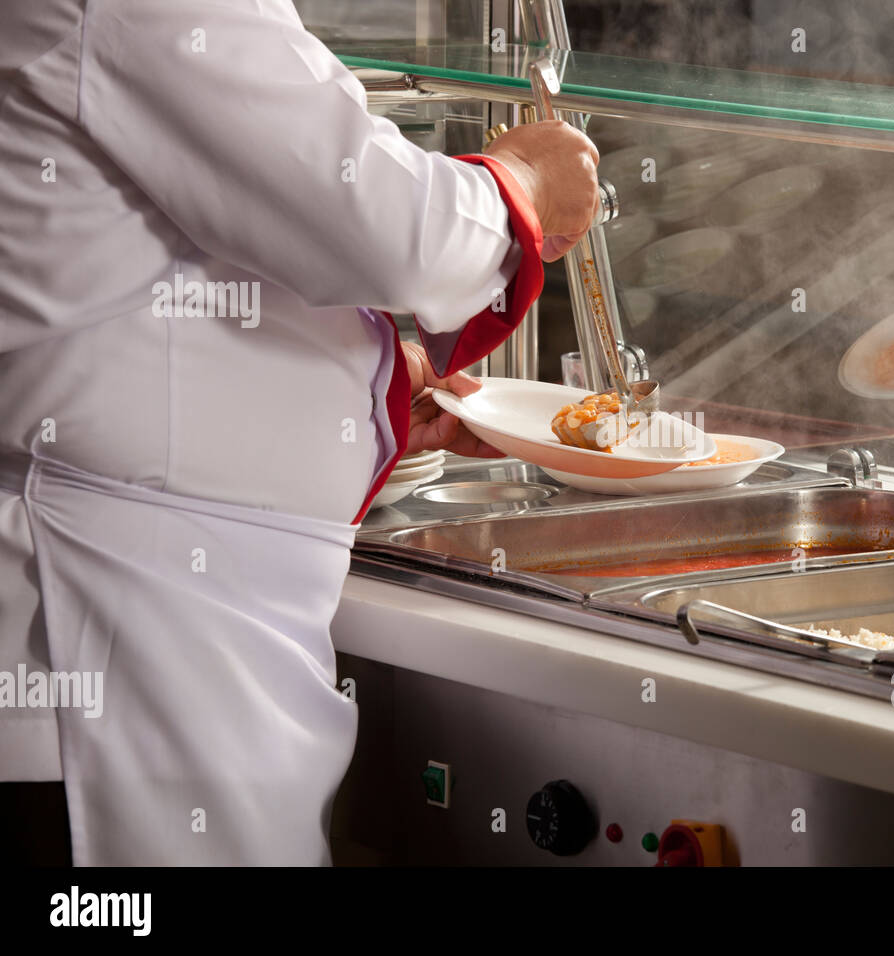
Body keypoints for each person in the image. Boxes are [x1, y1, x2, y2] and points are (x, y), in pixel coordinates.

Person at [0, 0, 599, 865]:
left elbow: (148, 275)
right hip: (115, 653)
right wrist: (524, 187)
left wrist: (371, 389)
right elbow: (389, 229)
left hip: (155, 627)